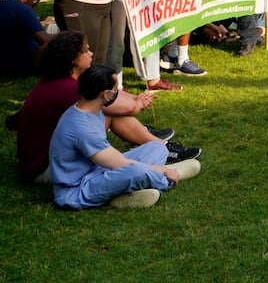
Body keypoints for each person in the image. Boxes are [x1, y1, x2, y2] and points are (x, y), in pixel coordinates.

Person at [48, 64, 201, 210]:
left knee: (157, 147)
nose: (118, 93)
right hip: (77, 190)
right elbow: (120, 163)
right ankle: (168, 178)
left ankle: (125, 192)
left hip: (98, 172)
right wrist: (163, 172)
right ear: (106, 94)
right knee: (135, 171)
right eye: (116, 90)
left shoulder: (92, 108)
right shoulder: (80, 127)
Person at [0, 0, 49, 77]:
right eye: (34, 0)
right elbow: (45, 41)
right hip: (22, 66)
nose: (34, 4)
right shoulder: (22, 9)